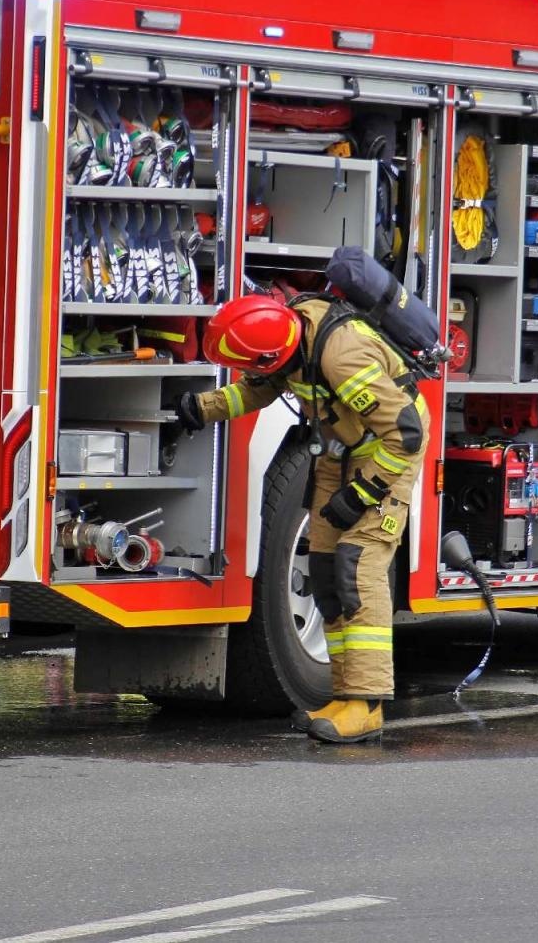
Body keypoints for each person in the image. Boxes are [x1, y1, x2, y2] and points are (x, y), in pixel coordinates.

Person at [176, 294, 430, 744]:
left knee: (358, 567)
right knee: (326, 569)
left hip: (386, 456)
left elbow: (406, 434)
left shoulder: (343, 358)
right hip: (341, 450)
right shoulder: (292, 345)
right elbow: (260, 387)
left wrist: (364, 492)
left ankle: (367, 704)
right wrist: (203, 407)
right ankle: (344, 694)